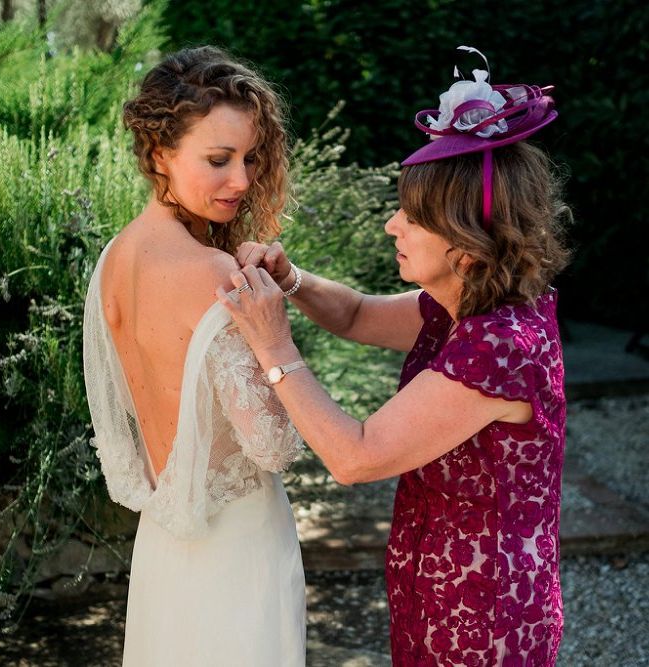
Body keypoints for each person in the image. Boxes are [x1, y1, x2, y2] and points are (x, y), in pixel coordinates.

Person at [218, 48, 571, 666]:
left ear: (465, 240)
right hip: (442, 594)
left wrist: (272, 343)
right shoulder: (468, 304)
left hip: (482, 624)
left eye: (412, 216)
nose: (391, 225)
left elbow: (356, 457)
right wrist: (291, 278)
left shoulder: (501, 347)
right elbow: (354, 314)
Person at [82, 46, 306, 666]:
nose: (242, 180)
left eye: (250, 158)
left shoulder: (113, 260)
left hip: (164, 545)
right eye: (218, 159)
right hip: (239, 546)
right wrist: (277, 342)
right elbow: (273, 445)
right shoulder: (212, 272)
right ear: (160, 155)